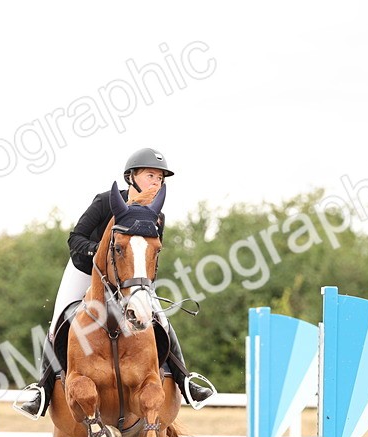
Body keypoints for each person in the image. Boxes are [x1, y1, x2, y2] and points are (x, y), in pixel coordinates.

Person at [13, 147, 217, 419]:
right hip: (87, 270)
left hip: (130, 278)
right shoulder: (105, 202)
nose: (157, 182)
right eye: (151, 175)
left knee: (162, 320)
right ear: (131, 176)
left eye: (161, 178)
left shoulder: (156, 215)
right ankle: (42, 390)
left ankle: (185, 379)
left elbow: (151, 251)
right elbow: (75, 239)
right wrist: (105, 254)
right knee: (59, 319)